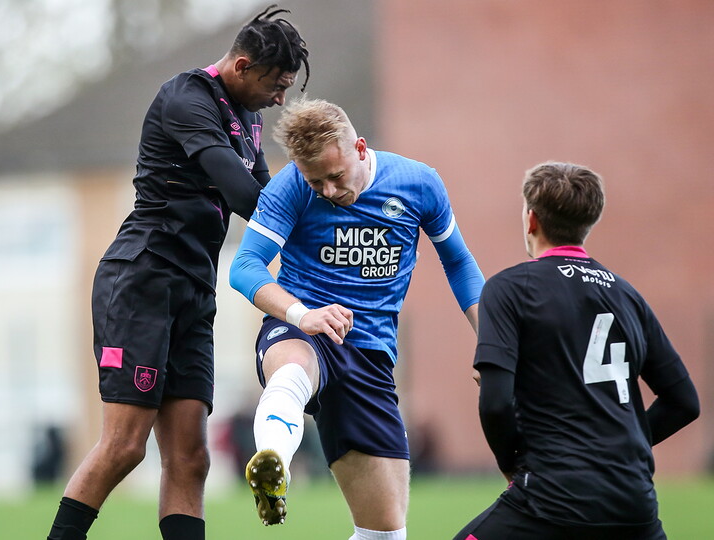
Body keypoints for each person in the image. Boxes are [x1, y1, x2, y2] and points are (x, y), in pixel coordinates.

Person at [45, 5, 310, 540]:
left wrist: (323, 212)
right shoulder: (186, 98)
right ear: (240, 65)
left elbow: (269, 196)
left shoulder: (250, 119)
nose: (281, 98)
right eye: (276, 84)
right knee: (123, 447)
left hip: (193, 289)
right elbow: (244, 195)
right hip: (143, 280)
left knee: (191, 458)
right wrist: (310, 220)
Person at [229, 98, 484, 539]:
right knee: (293, 369)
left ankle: (277, 462)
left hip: (369, 353)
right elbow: (245, 266)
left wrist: (491, 341)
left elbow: (459, 263)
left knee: (385, 534)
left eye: (335, 176)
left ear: (361, 149)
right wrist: (301, 313)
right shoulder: (290, 187)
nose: (327, 191)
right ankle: (273, 465)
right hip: (303, 326)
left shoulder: (418, 183)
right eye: (315, 182)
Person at [453, 162, 700, 540]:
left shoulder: (509, 288)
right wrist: (614, 451)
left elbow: (496, 403)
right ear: (589, 221)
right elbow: (684, 402)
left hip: (551, 495)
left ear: (531, 219)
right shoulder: (627, 295)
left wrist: (514, 464)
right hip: (633, 500)